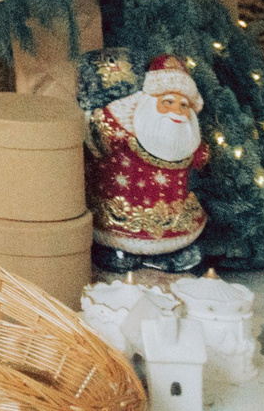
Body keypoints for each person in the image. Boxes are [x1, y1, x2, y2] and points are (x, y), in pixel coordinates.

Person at [83, 50, 211, 275]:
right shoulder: (125, 126)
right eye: (168, 102)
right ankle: (119, 252)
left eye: (183, 106)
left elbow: (200, 158)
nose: (177, 112)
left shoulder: (188, 138)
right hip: (123, 218)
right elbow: (98, 136)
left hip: (174, 219)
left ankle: (172, 252)